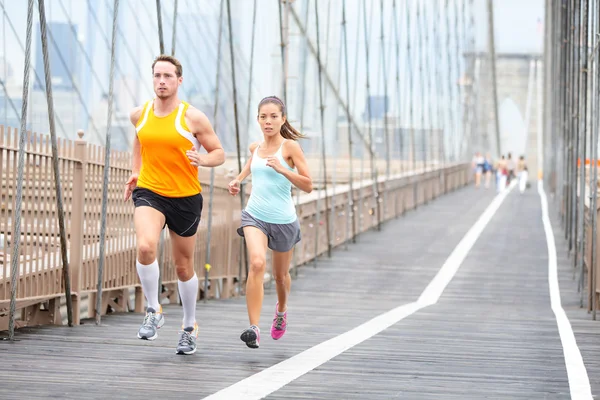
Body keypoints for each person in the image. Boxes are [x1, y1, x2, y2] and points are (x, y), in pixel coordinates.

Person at [123, 55, 225, 355]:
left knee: (183, 268)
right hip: (150, 192)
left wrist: (203, 159)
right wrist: (135, 171)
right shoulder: (139, 114)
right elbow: (140, 140)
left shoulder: (192, 117)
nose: (162, 81)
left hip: (185, 197)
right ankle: (154, 310)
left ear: (179, 80)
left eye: (168, 76)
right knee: (145, 247)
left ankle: (190, 326)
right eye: (157, 76)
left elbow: (219, 152)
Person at [228, 95, 312, 349]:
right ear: (258, 120)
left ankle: (281, 310)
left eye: (274, 116)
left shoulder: (290, 148)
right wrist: (237, 180)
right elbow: (249, 168)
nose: (268, 121)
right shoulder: (255, 148)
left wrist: (284, 170)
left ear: (282, 119)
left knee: (279, 276)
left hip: (284, 220)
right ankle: (254, 327)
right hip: (255, 215)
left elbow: (308, 184)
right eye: (263, 117)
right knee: (256, 263)